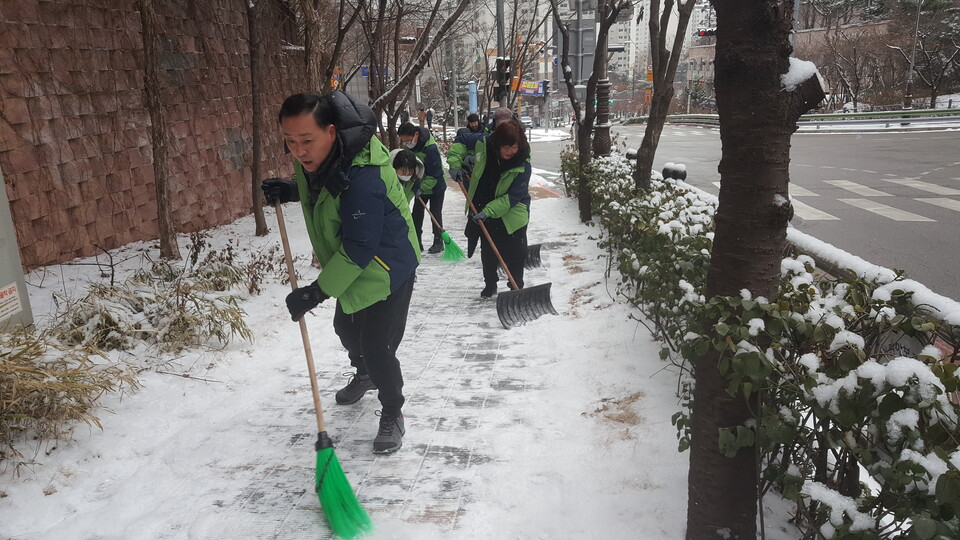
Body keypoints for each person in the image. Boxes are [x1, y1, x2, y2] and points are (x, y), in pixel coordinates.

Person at [261, 91, 420, 454]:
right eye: (290, 142)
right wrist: (289, 190)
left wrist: (315, 292)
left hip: (387, 268)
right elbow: (323, 192)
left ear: (332, 132)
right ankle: (364, 374)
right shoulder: (324, 159)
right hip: (354, 266)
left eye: (306, 141)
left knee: (377, 347)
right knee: (346, 328)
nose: (299, 151)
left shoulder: (364, 176)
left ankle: (393, 411)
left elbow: (359, 248)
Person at [446, 120, 530, 297]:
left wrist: (489, 211)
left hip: (512, 213)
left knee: (516, 252)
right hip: (483, 205)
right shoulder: (484, 142)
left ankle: (516, 288)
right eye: (504, 147)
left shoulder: (523, 164)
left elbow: (513, 197)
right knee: (488, 251)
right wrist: (455, 164)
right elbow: (460, 141)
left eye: (513, 147)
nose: (509, 152)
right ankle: (490, 284)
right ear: (496, 142)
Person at [398, 121, 446, 254]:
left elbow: (436, 175)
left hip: (436, 187)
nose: (407, 144)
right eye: (404, 142)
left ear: (416, 135)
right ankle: (416, 240)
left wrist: (422, 188)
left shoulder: (430, 149)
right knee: (417, 214)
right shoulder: (409, 148)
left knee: (435, 214)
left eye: (408, 141)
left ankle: (438, 241)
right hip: (419, 185)